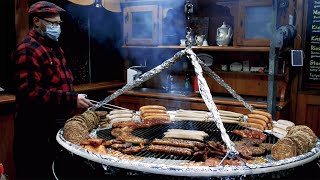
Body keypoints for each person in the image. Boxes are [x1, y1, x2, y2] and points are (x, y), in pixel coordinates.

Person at [12, 1, 93, 179]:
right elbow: (30, 92)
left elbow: (60, 83)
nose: (57, 27)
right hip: (35, 129)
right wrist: (71, 99)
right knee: (37, 172)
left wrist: (73, 98)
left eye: (58, 24)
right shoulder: (27, 49)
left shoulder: (54, 47)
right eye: (52, 23)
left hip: (55, 123)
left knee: (56, 171)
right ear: (36, 21)